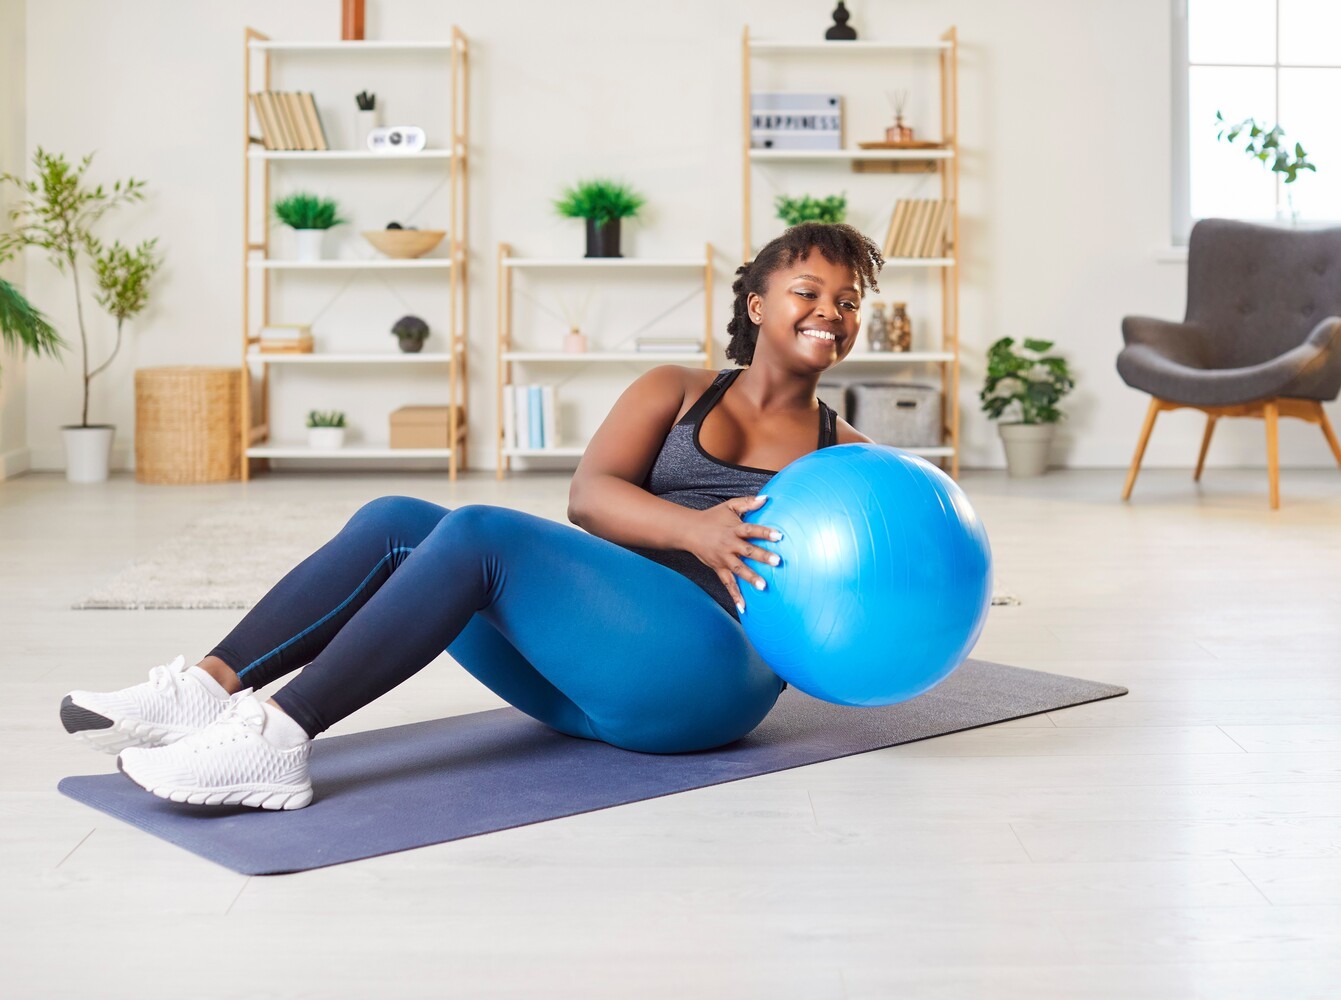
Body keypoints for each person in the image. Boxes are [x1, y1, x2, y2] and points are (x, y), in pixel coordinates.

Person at [59, 222, 885, 811]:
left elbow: (860, 596)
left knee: (482, 534)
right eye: (807, 291)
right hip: (592, 676)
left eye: (848, 302)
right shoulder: (674, 389)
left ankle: (276, 740)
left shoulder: (842, 455)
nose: (829, 311)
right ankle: (208, 691)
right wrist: (696, 528)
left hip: (709, 679)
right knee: (397, 519)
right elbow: (589, 497)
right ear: (755, 305)